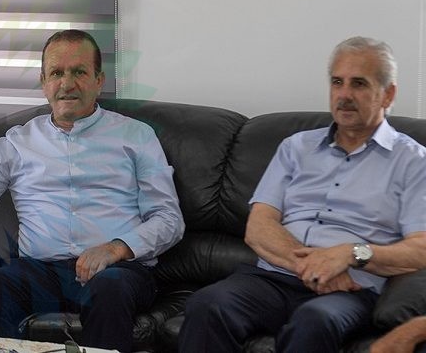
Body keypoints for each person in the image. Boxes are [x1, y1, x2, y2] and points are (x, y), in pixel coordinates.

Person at [0, 29, 185, 351]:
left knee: (109, 289)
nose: (67, 83)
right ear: (43, 82)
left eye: (79, 72)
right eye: (56, 73)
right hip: (41, 272)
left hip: (117, 271)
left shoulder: (137, 136)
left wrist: (116, 248)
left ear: (99, 80)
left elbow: (168, 218)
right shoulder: (18, 143)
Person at [177, 37, 426, 353]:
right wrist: (315, 268)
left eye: (359, 83)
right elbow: (259, 227)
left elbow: (421, 249)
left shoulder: (414, 161)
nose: (345, 94)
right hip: (274, 278)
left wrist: (351, 253)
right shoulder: (296, 147)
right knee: (208, 304)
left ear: (388, 94)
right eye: (337, 82)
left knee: (315, 320)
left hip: (350, 290)